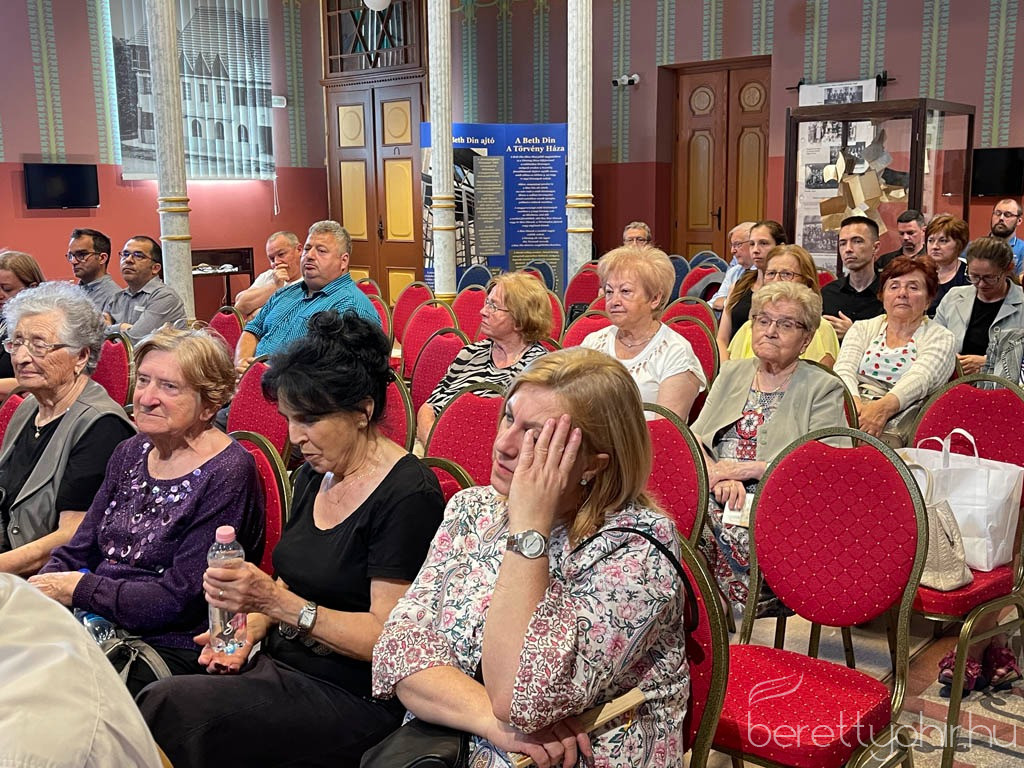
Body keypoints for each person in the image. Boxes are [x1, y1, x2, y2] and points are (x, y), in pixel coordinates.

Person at [138, 311, 445, 767]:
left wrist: (275, 604)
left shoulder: (407, 494)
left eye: (310, 420)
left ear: (362, 411)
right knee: (152, 692)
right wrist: (254, 625)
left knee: (169, 710)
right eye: (287, 418)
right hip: (284, 665)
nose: (295, 437)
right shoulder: (315, 475)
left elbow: (387, 639)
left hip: (356, 695)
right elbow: (295, 580)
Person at [373, 347, 689, 768]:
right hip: (457, 740)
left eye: (537, 437)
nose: (503, 445)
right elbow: (397, 649)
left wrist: (529, 529)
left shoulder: (638, 551)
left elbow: (520, 699)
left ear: (593, 465)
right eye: (509, 418)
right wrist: (489, 720)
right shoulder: (473, 509)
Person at [30, 326, 265, 695]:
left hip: (169, 643)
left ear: (209, 404)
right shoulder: (131, 450)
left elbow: (178, 600)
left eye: (169, 387)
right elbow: (79, 548)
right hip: (95, 618)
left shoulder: (228, 471)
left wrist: (78, 589)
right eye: (143, 381)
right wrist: (41, 590)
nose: (146, 398)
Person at [694, 282, 846, 613]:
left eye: (786, 324)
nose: (770, 331)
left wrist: (744, 470)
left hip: (780, 502)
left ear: (806, 339)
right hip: (717, 488)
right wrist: (718, 474)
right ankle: (701, 602)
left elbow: (828, 465)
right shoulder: (731, 372)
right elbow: (694, 439)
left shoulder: (823, 387)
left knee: (699, 521)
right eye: (763, 320)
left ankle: (724, 603)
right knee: (666, 512)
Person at [0, 282, 135, 575]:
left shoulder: (102, 426)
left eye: (39, 345)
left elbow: (70, 537)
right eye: (17, 342)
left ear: (81, 356)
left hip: (44, 578)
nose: (21, 357)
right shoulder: (28, 406)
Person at [0, 573, 163, 767]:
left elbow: (172, 599)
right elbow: (68, 557)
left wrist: (80, 587)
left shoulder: (29, 744)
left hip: (151, 636)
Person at [417, 271, 550, 444]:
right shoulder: (470, 354)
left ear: (520, 319)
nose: (482, 311)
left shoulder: (539, 369)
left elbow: (525, 437)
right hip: (435, 447)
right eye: (487, 302)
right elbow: (428, 407)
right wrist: (436, 444)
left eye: (493, 306)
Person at [834, 256, 956, 441]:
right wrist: (854, 406)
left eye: (913, 287)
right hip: (854, 405)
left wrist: (882, 409)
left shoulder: (941, 337)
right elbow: (843, 369)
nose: (902, 293)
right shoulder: (862, 328)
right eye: (894, 286)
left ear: (928, 300)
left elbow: (921, 378)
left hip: (904, 415)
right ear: (882, 296)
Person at [235, 220, 378, 373]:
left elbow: (345, 374)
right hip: (253, 380)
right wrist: (241, 361)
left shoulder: (352, 306)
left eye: (321, 251)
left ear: (343, 261)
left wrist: (276, 375)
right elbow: (253, 329)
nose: (309, 256)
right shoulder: (284, 293)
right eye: (307, 249)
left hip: (296, 386)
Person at [581, 246, 705, 419]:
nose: (614, 301)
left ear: (655, 298)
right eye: (609, 291)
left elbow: (666, 430)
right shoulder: (593, 342)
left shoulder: (675, 351)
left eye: (625, 291)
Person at [726, 244, 840, 367]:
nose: (776, 280)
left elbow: (818, 377)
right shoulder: (751, 325)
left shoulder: (819, 329)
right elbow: (734, 373)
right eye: (771, 273)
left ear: (806, 281)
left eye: (786, 274)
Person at [934, 236, 1024, 376]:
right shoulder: (954, 297)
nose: (981, 284)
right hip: (953, 380)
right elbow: (934, 340)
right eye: (974, 276)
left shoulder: (1021, 303)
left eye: (989, 278)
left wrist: (987, 363)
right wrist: (949, 357)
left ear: (1009, 269)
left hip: (1003, 385)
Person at [717, 220, 786, 354]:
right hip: (733, 360)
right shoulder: (738, 286)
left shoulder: (789, 290)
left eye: (763, 243)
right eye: (752, 244)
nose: (755, 250)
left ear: (780, 247)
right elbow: (722, 339)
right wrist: (726, 365)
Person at [105, 235, 187, 343]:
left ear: (155, 268)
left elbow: (135, 341)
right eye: (125, 254)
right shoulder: (117, 298)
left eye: (138, 256)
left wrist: (113, 329)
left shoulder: (165, 297)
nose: (128, 260)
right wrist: (121, 328)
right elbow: (95, 337)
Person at [822, 215, 885, 339]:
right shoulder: (828, 293)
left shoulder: (889, 294)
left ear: (875, 247)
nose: (848, 249)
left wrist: (853, 333)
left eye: (857, 241)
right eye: (842, 243)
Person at [0, 250, 44, 399]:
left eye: (7, 289)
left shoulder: (43, 327)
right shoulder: (4, 318)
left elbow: (35, 381)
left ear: (32, 288)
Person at [233, 230, 303, 321]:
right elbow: (240, 306)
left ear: (299, 250)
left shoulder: (312, 280)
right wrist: (275, 286)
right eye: (272, 259)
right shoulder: (268, 276)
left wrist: (257, 313)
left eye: (281, 254)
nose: (276, 262)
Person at [923, 214, 970, 316]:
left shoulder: (969, 276)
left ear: (959, 244)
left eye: (943, 241)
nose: (935, 246)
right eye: (930, 240)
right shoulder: (919, 272)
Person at [67, 227, 120, 311]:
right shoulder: (71, 293)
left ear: (102, 258)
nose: (73, 261)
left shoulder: (115, 298)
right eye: (71, 256)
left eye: (82, 255)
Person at [709, 222, 756, 312]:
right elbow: (717, 302)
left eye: (738, 244)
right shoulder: (734, 272)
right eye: (732, 245)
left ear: (753, 243)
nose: (732, 251)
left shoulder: (767, 273)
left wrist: (728, 302)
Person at [985, 198, 1024, 275]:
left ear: (1019, 221)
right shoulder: (974, 247)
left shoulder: (1022, 250)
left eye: (1007, 215)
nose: (1001, 218)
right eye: (997, 213)